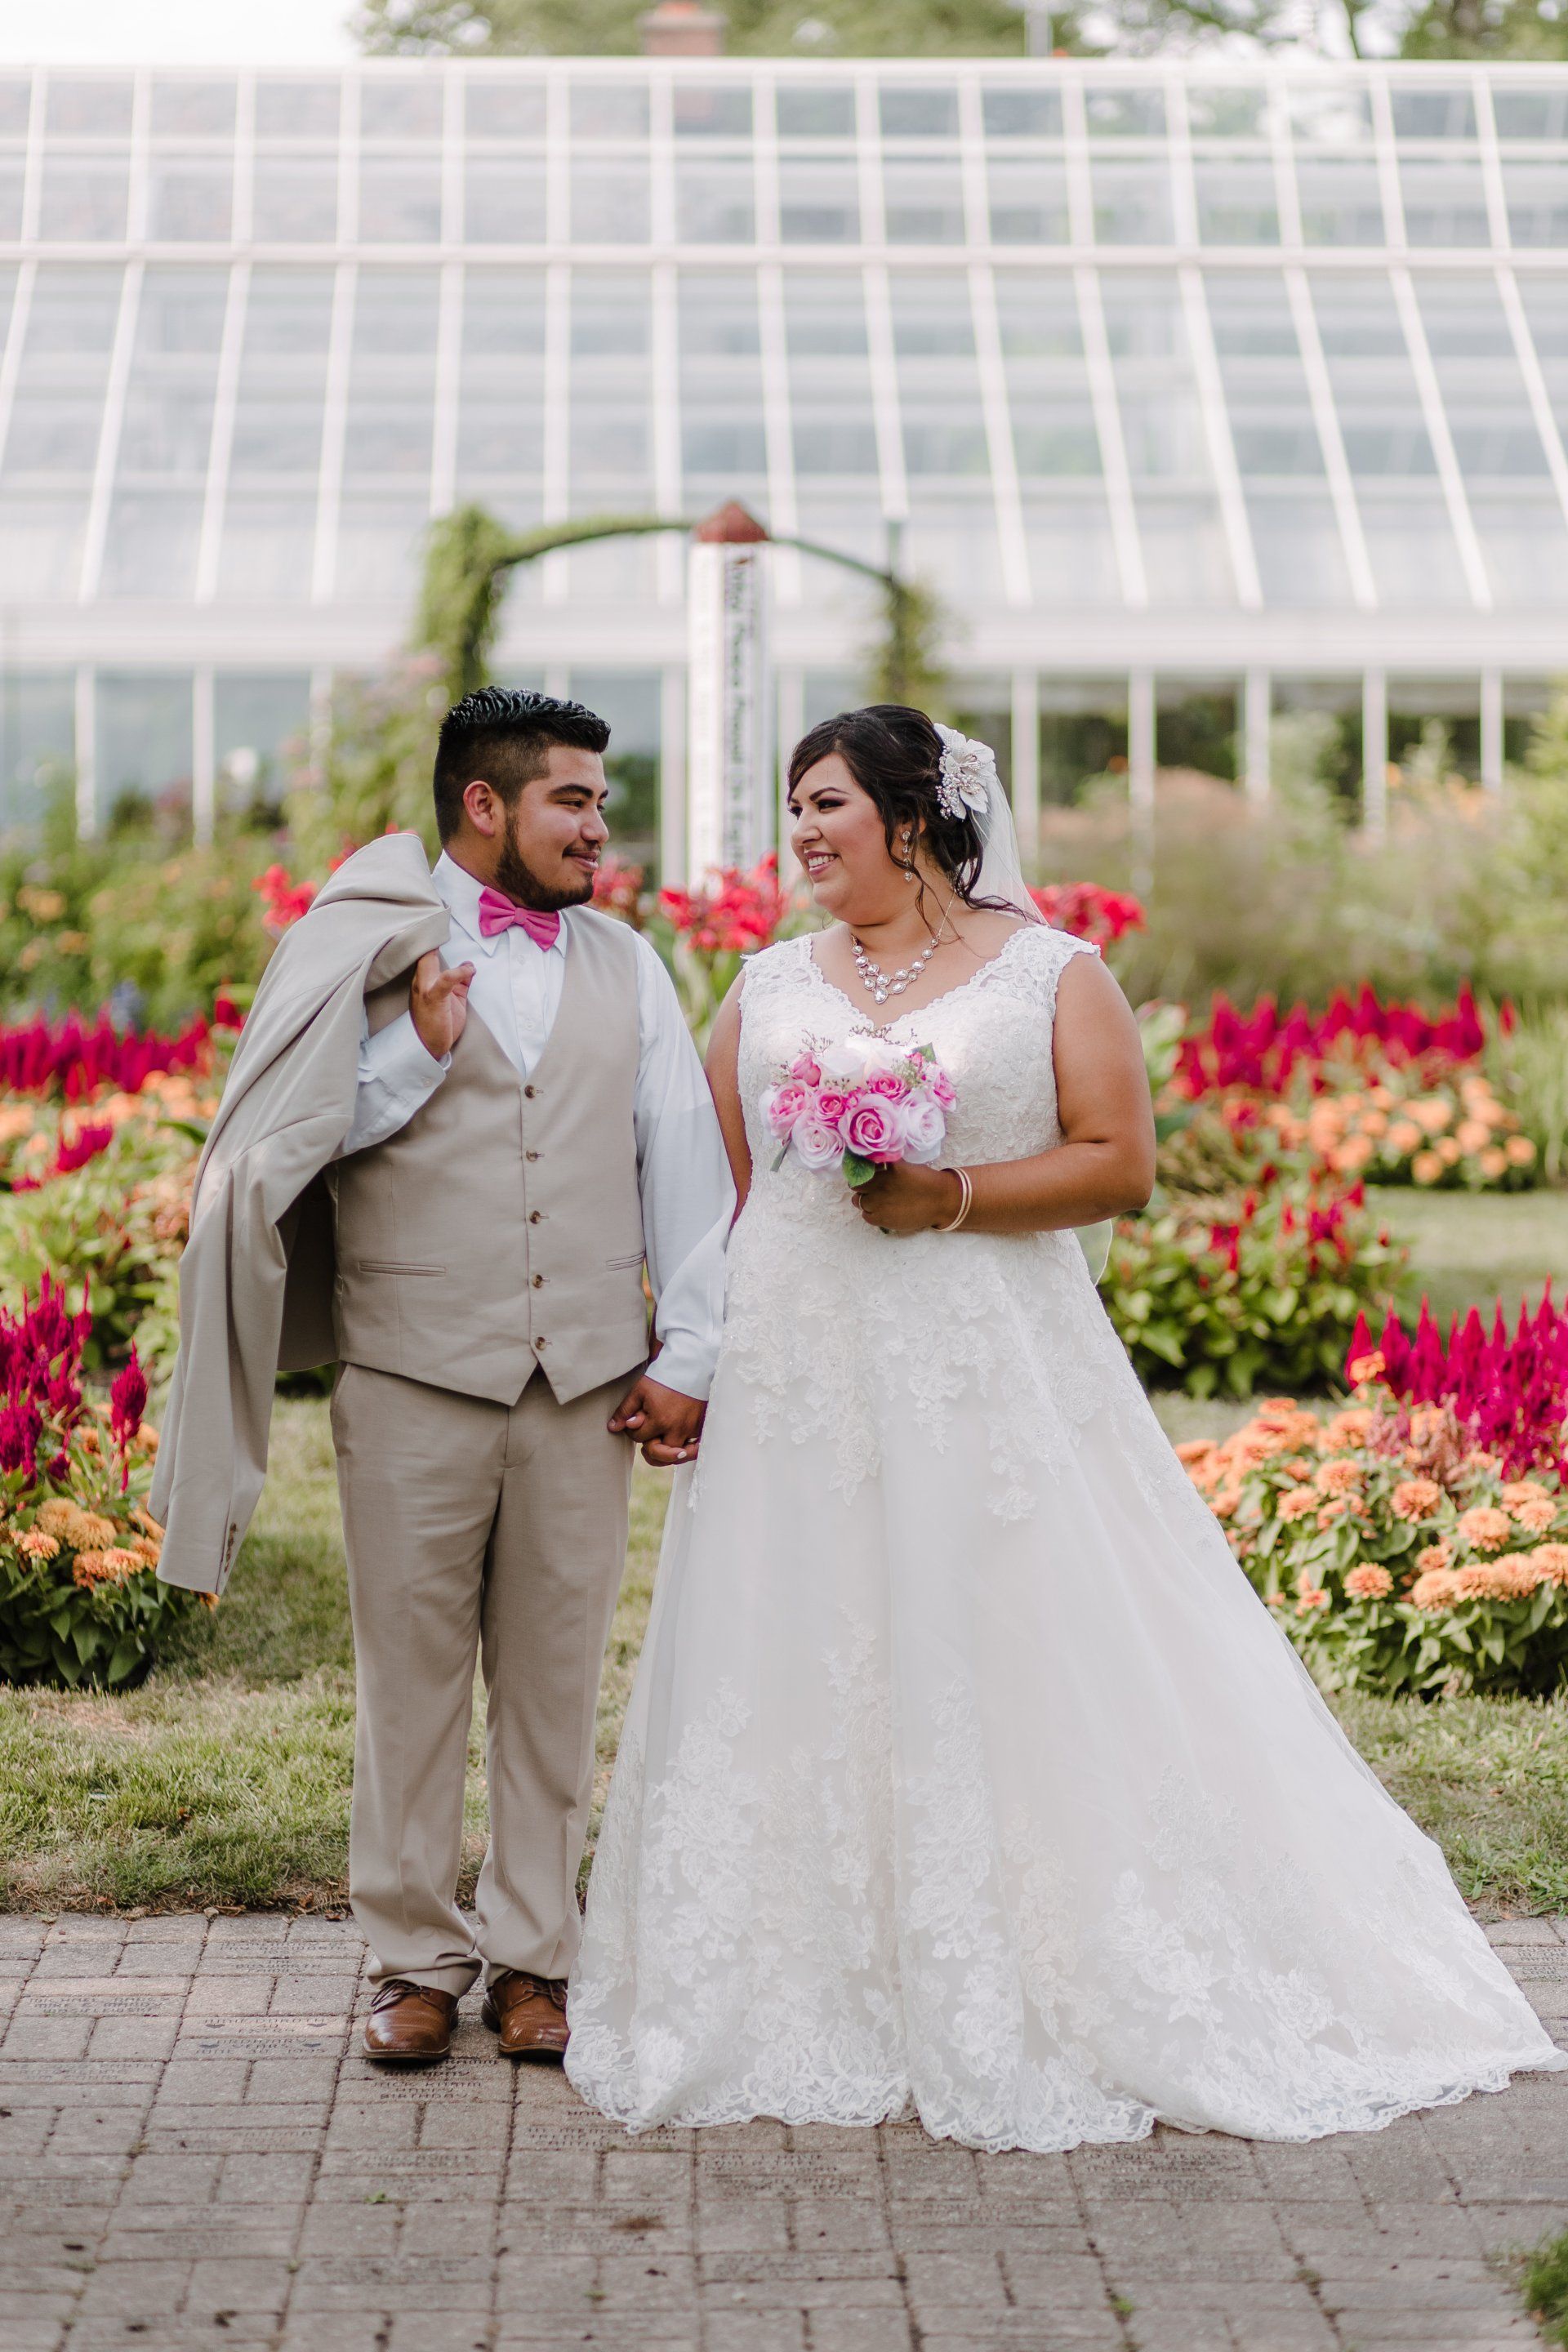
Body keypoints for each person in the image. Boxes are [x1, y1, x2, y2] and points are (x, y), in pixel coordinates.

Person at [564, 702, 1563, 2151]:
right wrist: (706, 1349)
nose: (804, 835)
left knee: (996, 1632)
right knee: (797, 1634)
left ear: (914, 818)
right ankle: (801, 1968)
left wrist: (948, 1195)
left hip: (976, 1359)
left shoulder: (1051, 974)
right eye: (796, 811)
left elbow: (1120, 1164)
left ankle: (1041, 1954)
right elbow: (721, 1190)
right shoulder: (769, 983)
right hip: (803, 1374)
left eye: (829, 806)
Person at [153, 688, 733, 2066]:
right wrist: (411, 1050)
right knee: (408, 1683)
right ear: (487, 805)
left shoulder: (632, 967)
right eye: (573, 801)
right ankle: (412, 1959)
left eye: (599, 800)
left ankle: (538, 1960)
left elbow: (685, 1174)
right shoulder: (357, 951)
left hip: (584, 1379)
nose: (601, 826)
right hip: (411, 1369)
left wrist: (692, 1353)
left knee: (553, 1682)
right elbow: (289, 1142)